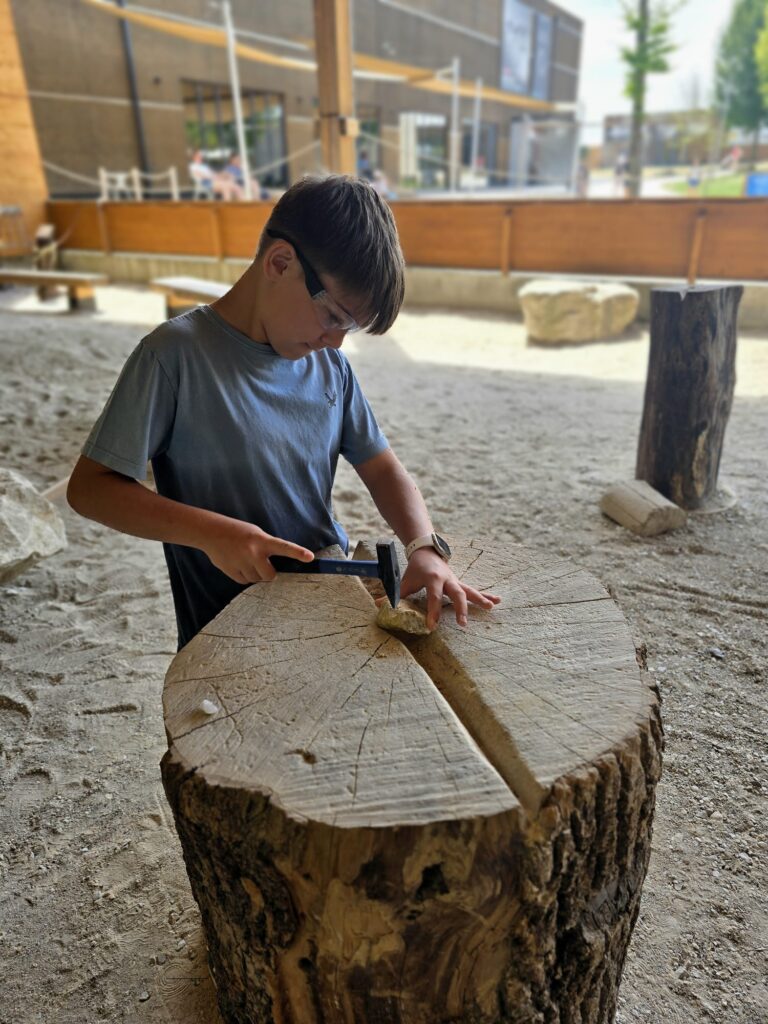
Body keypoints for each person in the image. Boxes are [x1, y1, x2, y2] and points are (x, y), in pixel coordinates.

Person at [67, 175, 500, 650]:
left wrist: (424, 546)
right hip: (226, 627)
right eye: (333, 315)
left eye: (349, 328)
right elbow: (90, 489)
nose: (335, 340)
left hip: (327, 598)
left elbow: (381, 465)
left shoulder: (329, 366)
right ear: (279, 262)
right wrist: (211, 533)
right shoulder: (173, 357)